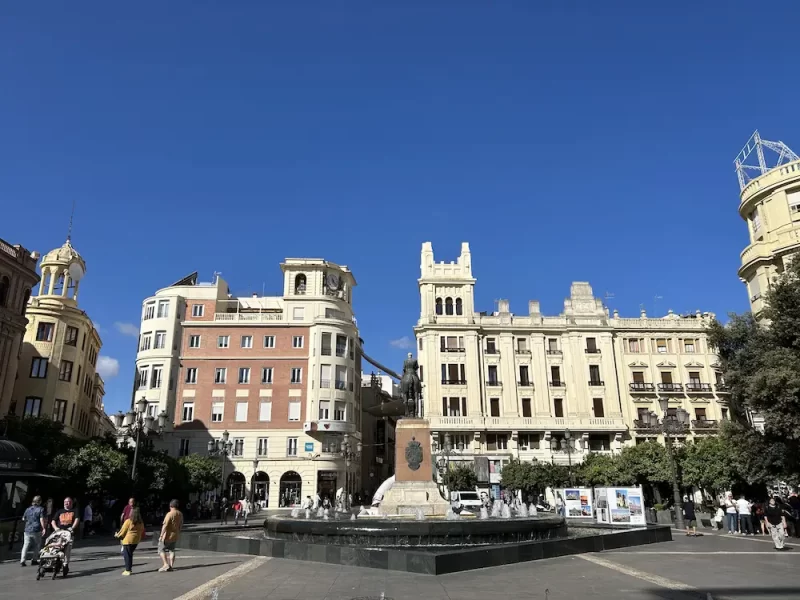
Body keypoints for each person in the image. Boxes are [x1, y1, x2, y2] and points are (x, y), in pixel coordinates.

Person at [51, 497, 80, 577]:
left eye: (69, 502)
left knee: (67, 549)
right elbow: (53, 520)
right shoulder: (60, 511)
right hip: (59, 532)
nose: (67, 503)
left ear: (71, 503)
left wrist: (72, 528)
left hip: (69, 533)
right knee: (55, 547)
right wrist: (56, 528)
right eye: (65, 502)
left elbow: (77, 519)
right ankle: (53, 562)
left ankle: (65, 564)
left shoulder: (74, 511)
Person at [115, 506, 145, 576]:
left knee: (127, 555)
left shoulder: (128, 521)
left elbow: (122, 531)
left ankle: (128, 570)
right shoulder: (140, 522)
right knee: (130, 554)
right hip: (136, 541)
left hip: (128, 541)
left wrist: (117, 535)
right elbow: (142, 530)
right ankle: (129, 569)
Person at [20, 495, 47, 566]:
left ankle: (22, 560)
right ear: (40, 501)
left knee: (25, 545)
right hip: (36, 529)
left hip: (27, 529)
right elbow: (41, 519)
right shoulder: (41, 509)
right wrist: (43, 528)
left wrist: (29, 521)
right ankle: (34, 559)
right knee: (37, 545)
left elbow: (23, 518)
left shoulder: (28, 509)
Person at [158, 499, 184, 572]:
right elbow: (181, 524)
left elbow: (165, 525)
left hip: (167, 535)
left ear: (171, 506)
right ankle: (171, 566)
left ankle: (165, 564)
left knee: (161, 549)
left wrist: (161, 535)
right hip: (175, 535)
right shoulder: (180, 514)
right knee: (172, 550)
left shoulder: (169, 514)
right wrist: (178, 531)